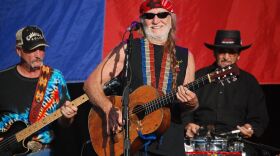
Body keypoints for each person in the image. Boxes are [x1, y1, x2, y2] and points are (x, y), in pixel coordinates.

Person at [84, 0, 199, 155]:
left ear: (171, 18)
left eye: (162, 14)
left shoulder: (186, 56)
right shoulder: (128, 48)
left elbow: (185, 106)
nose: (156, 20)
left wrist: (192, 103)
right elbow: (91, 84)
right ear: (142, 20)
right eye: (149, 16)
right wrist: (108, 109)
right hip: (131, 142)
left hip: (169, 144)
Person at [185, 30, 269, 155]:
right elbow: (184, 108)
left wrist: (250, 128)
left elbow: (259, 118)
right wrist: (188, 124)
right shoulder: (199, 77)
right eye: (222, 52)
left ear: (238, 55)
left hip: (236, 142)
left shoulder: (249, 82)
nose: (226, 57)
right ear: (214, 53)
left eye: (231, 52)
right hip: (199, 140)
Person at [0, 25, 78, 156]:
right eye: (32, 49)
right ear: (19, 51)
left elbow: (65, 123)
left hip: (42, 151)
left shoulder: (55, 78)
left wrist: (67, 117)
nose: (38, 55)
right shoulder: (2, 79)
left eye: (41, 49)